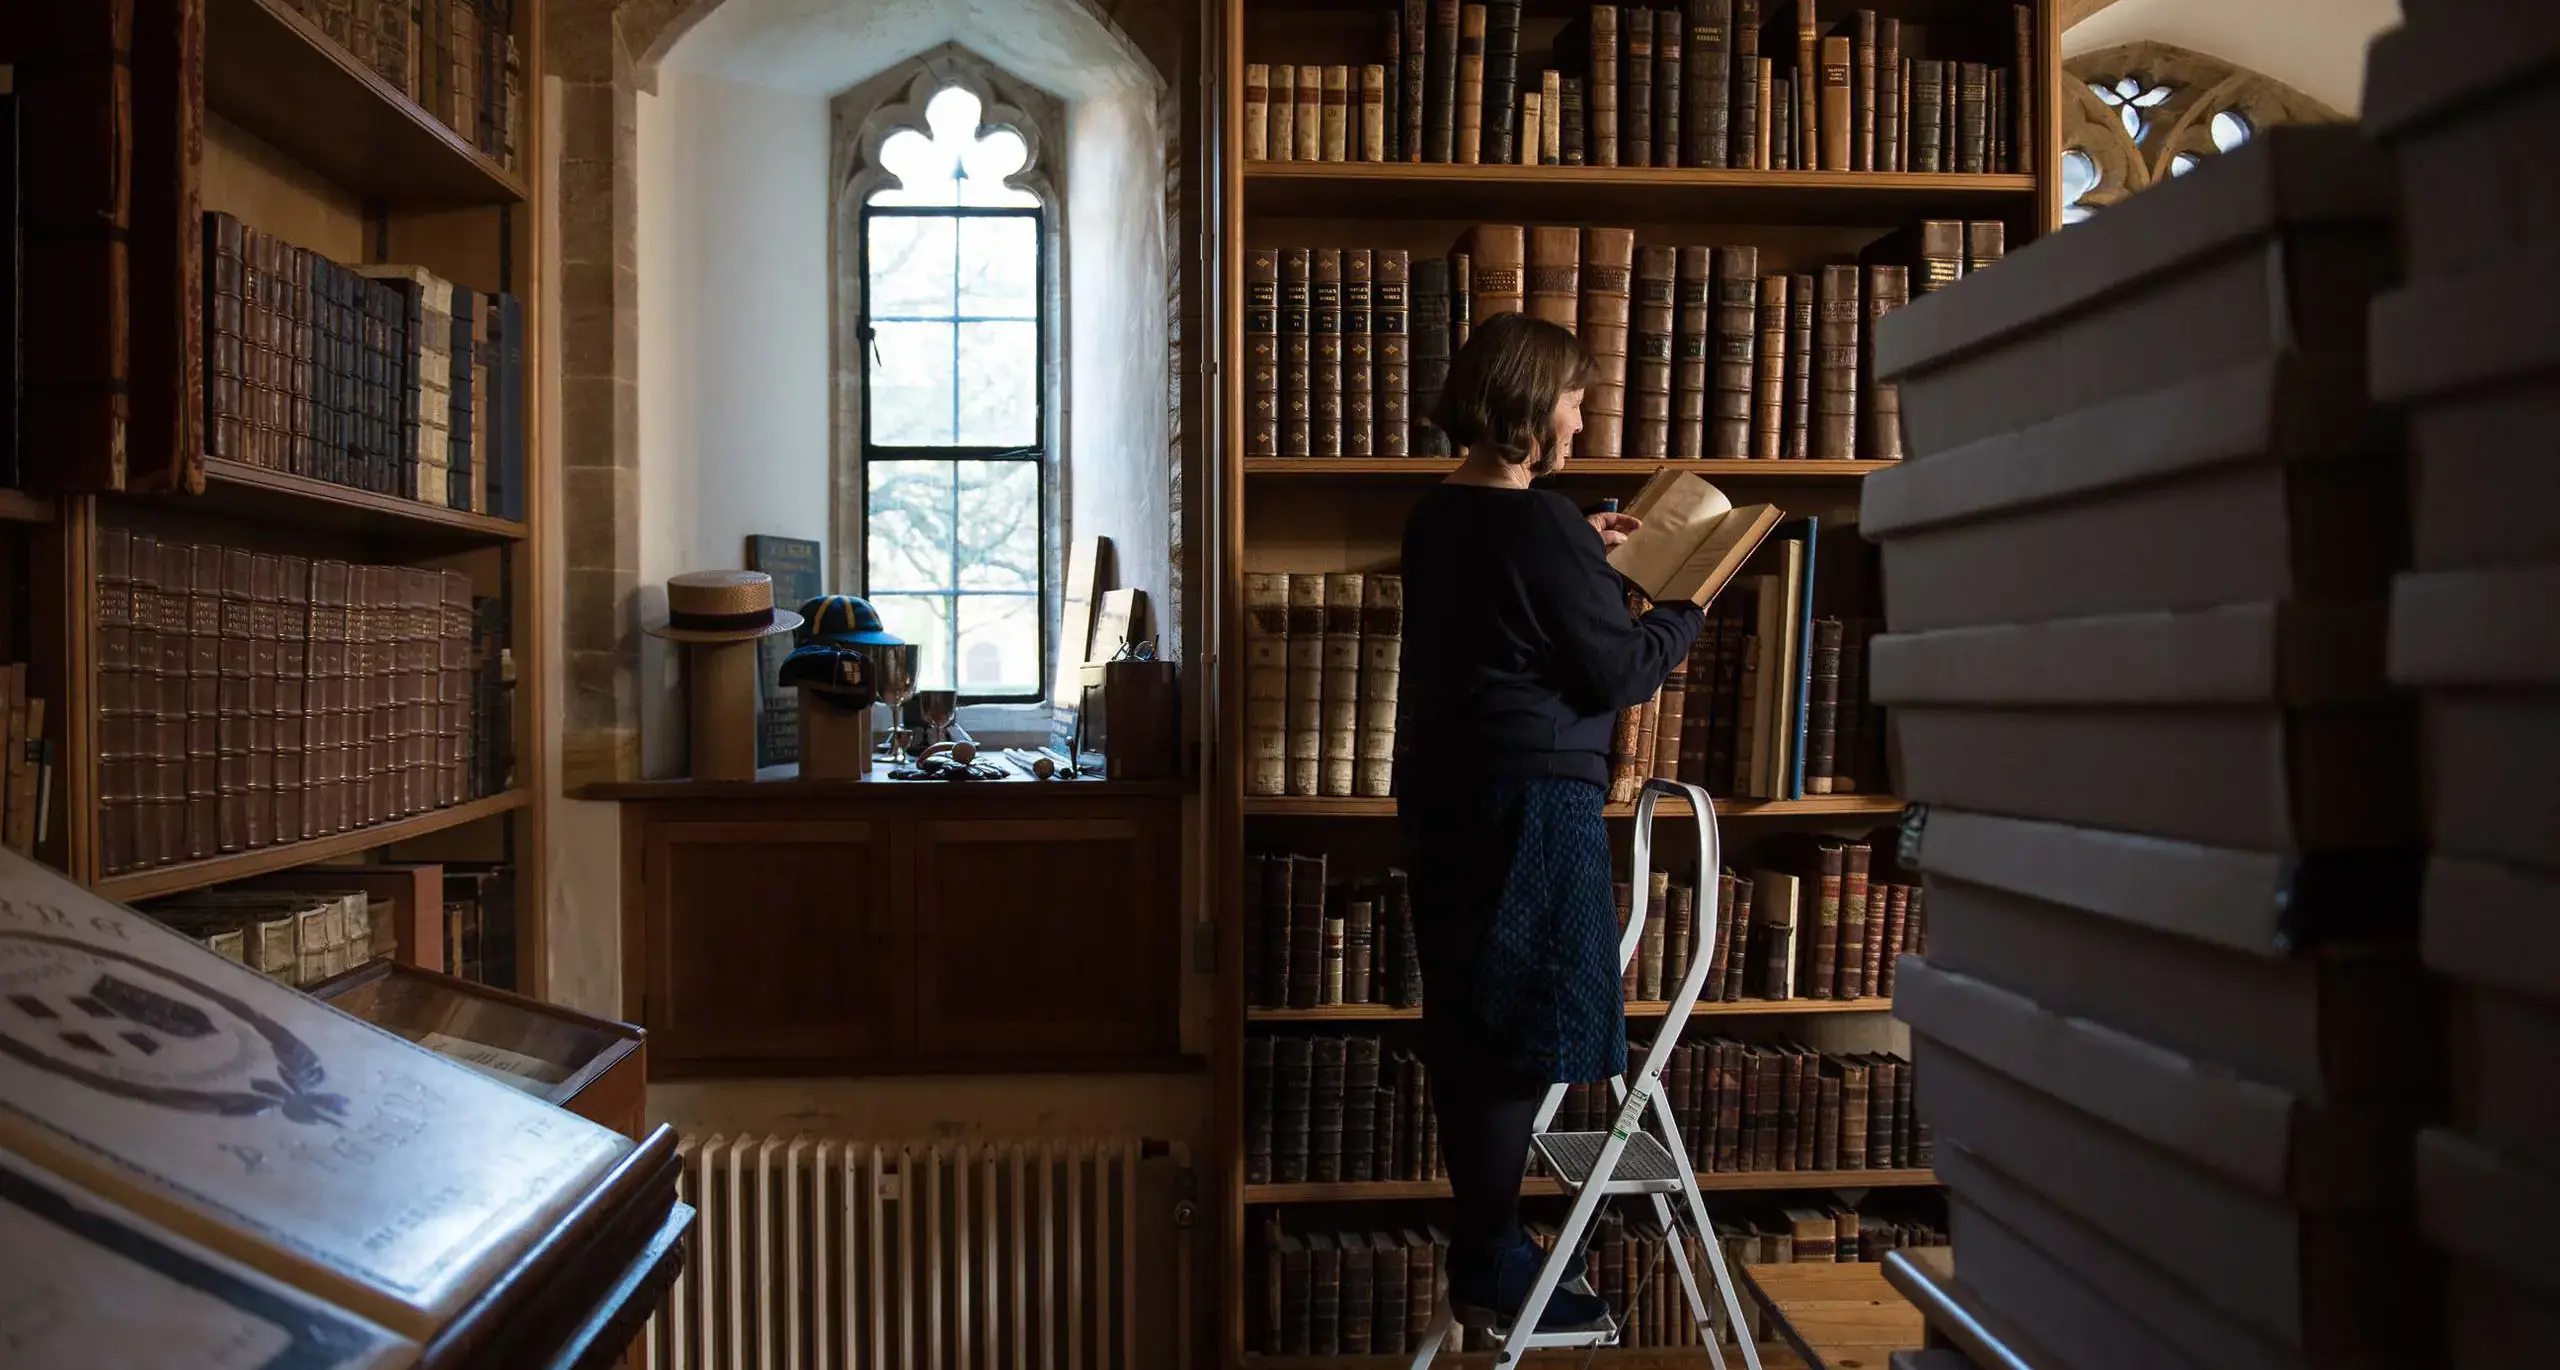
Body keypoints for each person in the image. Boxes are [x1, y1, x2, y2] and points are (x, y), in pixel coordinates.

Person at [1394, 312, 1707, 1333]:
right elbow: (1616, 671)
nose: (1580, 419)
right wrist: (1687, 605)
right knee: (1520, 1035)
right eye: (1573, 399)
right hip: (1533, 799)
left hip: (1447, 796)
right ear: (1531, 403)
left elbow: (1511, 608)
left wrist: (1585, 550)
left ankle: (1484, 1247)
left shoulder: (1438, 515)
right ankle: (1496, 1258)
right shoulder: (1541, 526)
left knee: (1472, 1024)